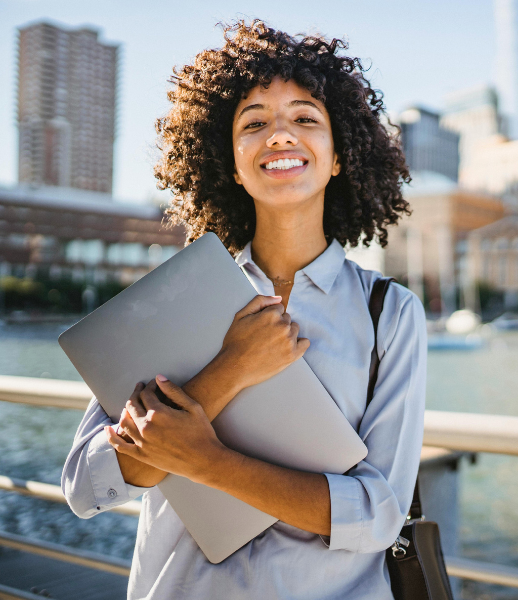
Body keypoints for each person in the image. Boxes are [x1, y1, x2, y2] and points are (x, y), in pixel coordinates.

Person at [60, 20, 427, 599]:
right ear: (231, 163)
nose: (280, 135)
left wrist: (207, 462)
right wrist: (230, 369)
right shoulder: (171, 299)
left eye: (306, 118)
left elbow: (379, 515)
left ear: (338, 158)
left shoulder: (392, 315)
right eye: (254, 123)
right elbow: (88, 485)